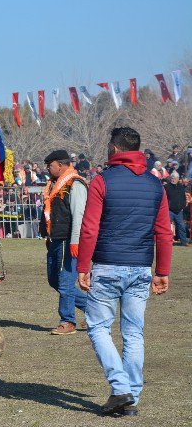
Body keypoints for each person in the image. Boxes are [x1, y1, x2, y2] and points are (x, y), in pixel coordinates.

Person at [77, 127, 172, 416]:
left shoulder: (101, 181)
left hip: (106, 265)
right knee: (133, 334)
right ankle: (132, 396)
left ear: (114, 149)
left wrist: (83, 266)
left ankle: (120, 389)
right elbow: (164, 233)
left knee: (98, 327)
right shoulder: (156, 185)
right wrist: (162, 271)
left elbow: (90, 227)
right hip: (141, 268)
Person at [39, 150, 88, 335]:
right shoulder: (54, 184)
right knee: (54, 281)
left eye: (50, 165)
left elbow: (79, 216)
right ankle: (93, 309)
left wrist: (75, 241)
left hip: (69, 240)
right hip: (55, 240)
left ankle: (68, 321)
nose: (48, 169)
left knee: (66, 283)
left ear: (60, 165)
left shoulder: (75, 185)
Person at [163, 172, 188, 247]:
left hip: (179, 211)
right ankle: (165, 242)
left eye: (175, 178)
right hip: (169, 210)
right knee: (166, 227)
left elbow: (183, 198)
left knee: (182, 227)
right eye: (172, 177)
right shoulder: (166, 187)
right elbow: (164, 198)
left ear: (178, 179)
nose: (173, 179)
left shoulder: (181, 187)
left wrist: (182, 207)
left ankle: (184, 242)